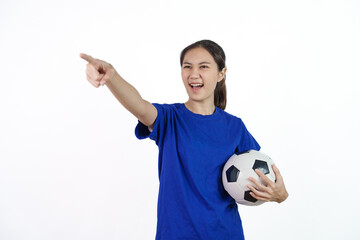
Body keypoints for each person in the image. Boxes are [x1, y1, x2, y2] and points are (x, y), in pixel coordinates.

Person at [80, 40, 288, 240]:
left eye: (203, 66)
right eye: (187, 67)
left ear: (221, 74)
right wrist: (112, 76)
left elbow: (262, 176)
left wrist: (280, 195)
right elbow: (139, 105)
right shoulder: (170, 118)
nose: (193, 74)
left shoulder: (234, 126)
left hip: (226, 234)